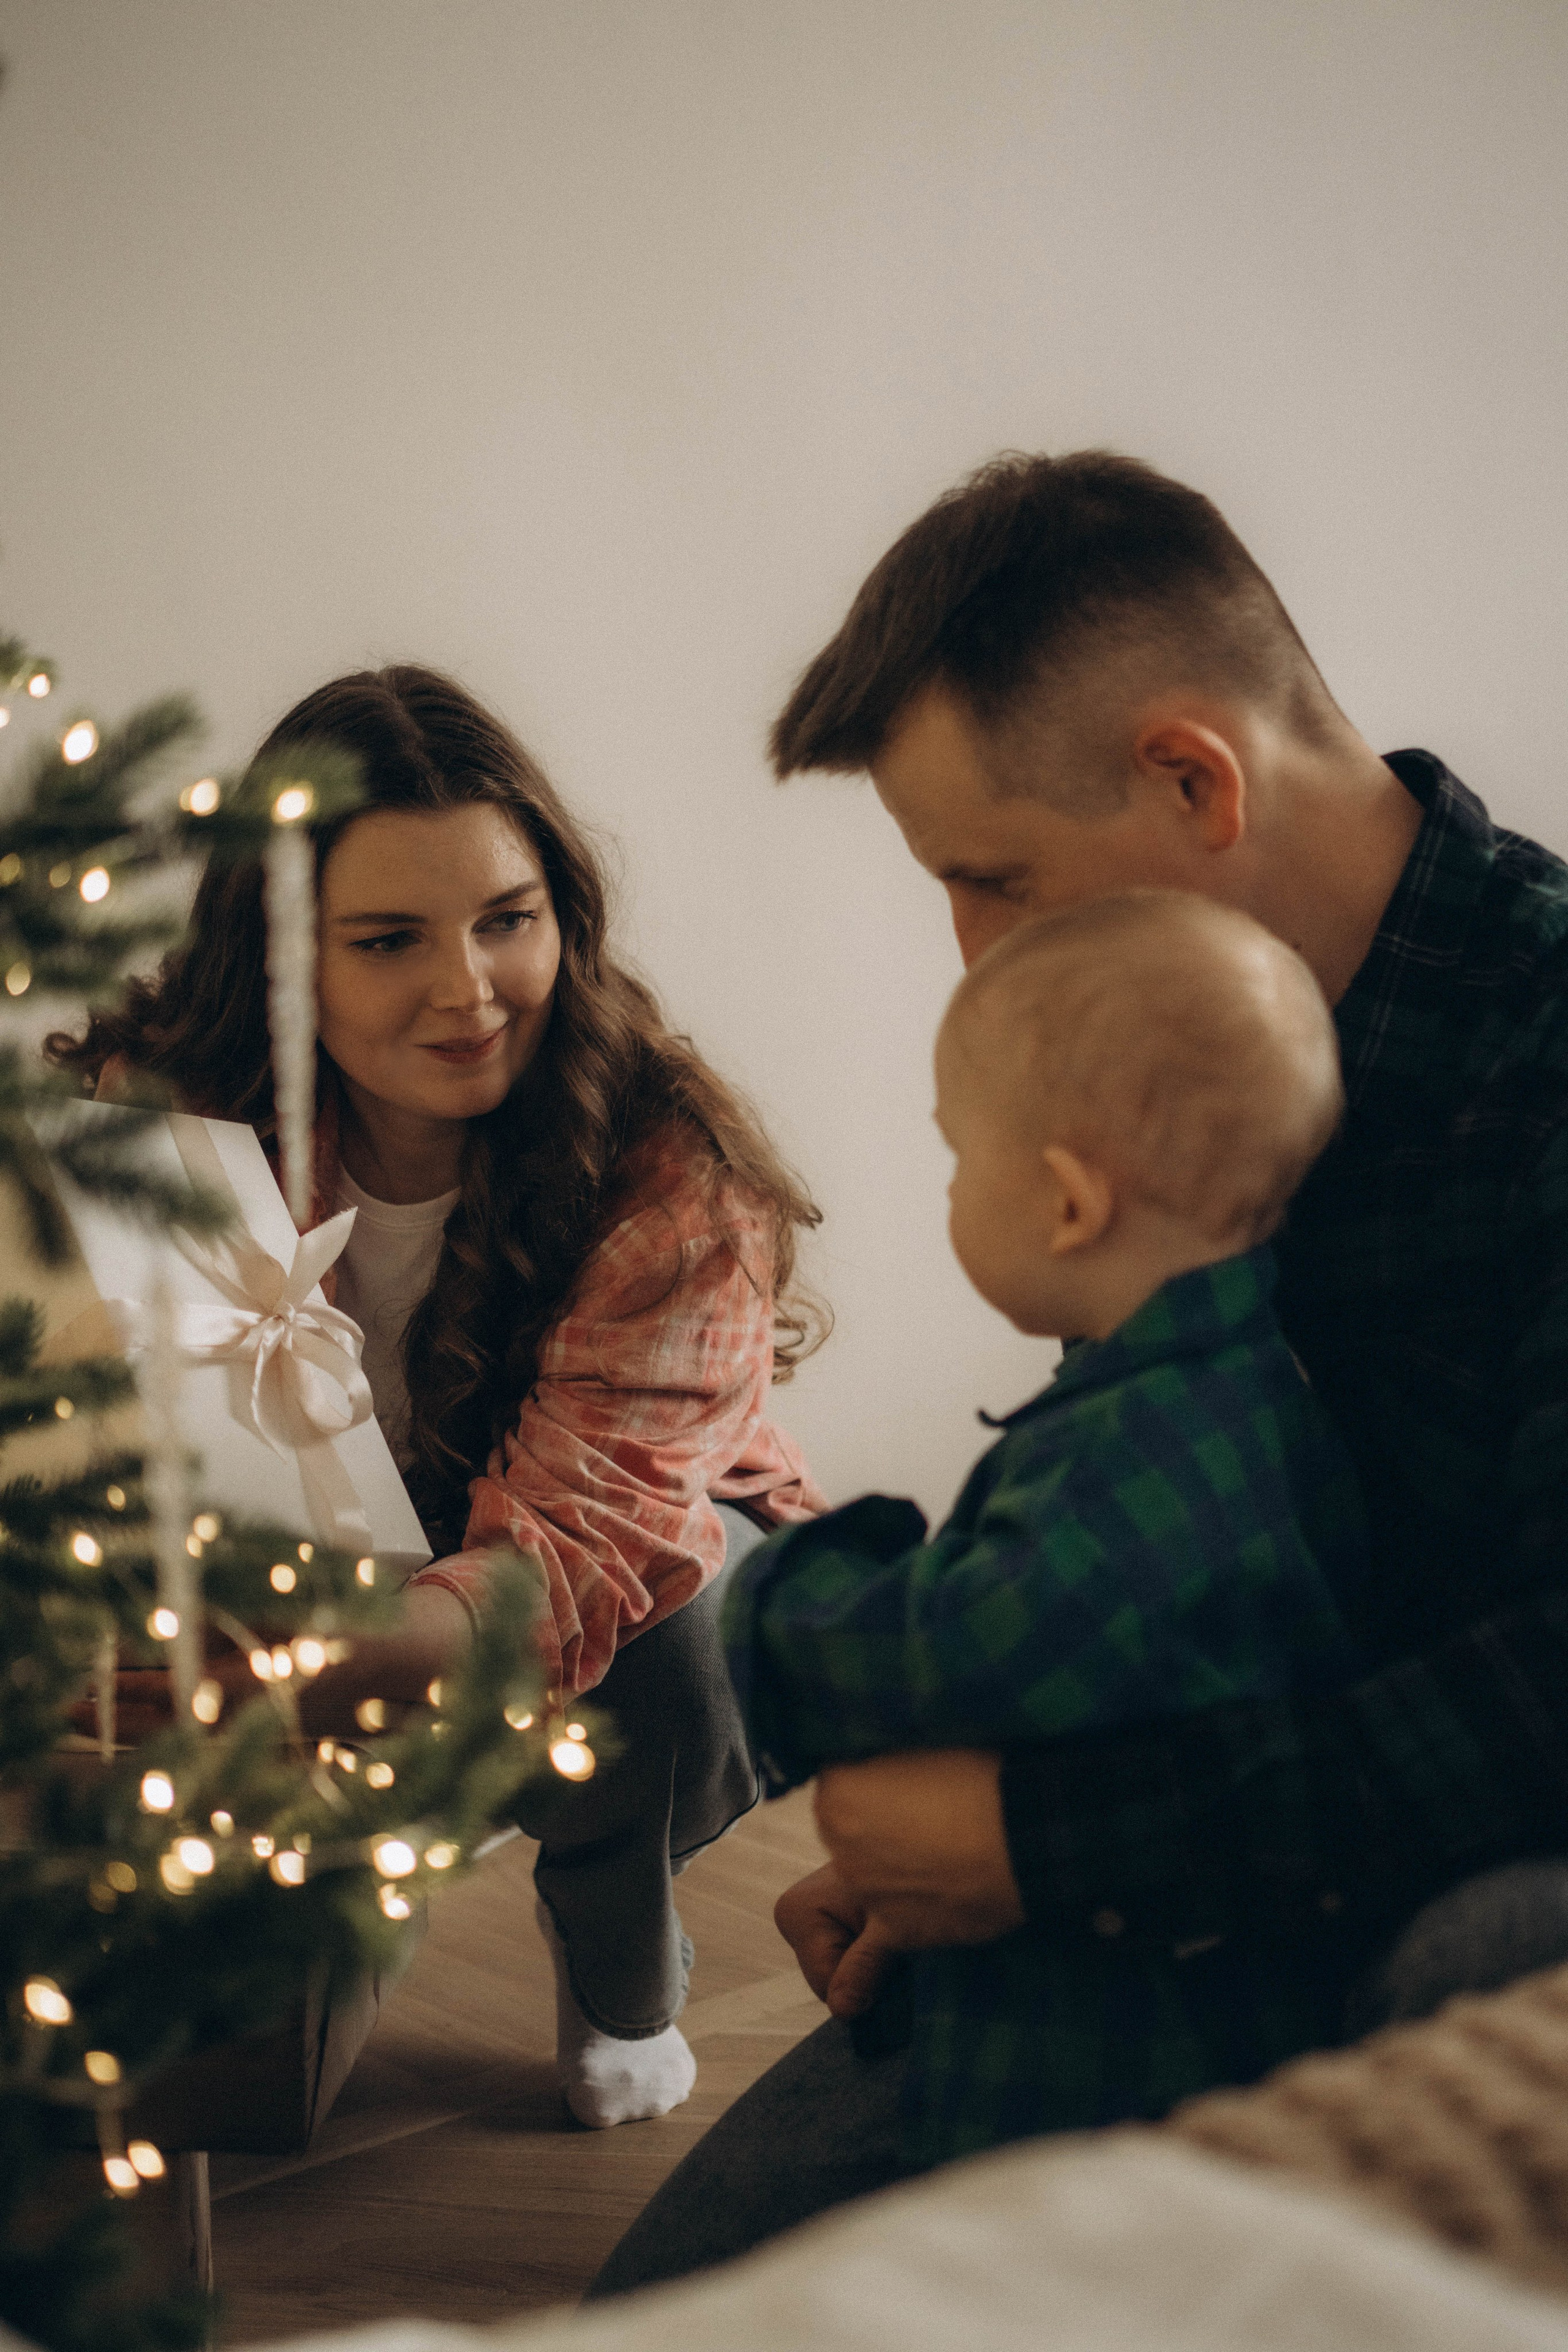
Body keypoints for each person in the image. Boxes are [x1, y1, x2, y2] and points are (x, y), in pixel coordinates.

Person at [592, 448, 1568, 2290]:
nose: (968, 961)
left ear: (1194, 777)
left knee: (1500, 1957)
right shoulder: (1170, 1088)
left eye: (992, 877)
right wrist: (980, 1824)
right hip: (1181, 1910)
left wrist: (1052, 1846)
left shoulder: (1542, 1050)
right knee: (685, 2308)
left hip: (1434, 1886)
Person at [50, 664, 828, 2130]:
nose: (467, 990)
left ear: (563, 916)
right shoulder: (162, 1117)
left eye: (505, 921)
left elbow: (576, 1556)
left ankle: (615, 1939)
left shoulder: (670, 1179)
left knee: (670, 1643)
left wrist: (309, 1674)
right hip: (338, 1566)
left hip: (627, 1553)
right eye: (390, 939)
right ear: (286, 958)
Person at [725, 892, 1371, 2174]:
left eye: (959, 1157)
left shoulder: (1138, 1455)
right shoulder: (1256, 1385)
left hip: (1102, 2065)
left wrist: (789, 1576)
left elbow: (951, 1648)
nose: (952, 1188)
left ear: (1067, 1205)